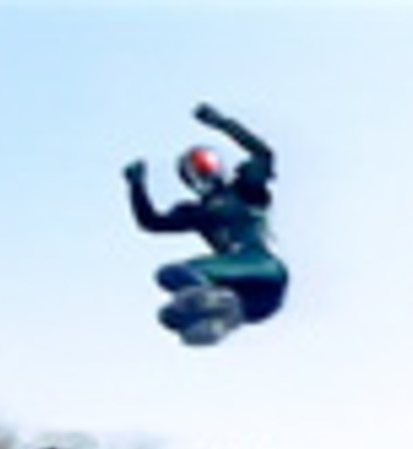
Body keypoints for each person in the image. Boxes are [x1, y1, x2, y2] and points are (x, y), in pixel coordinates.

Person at [123, 103, 289, 345]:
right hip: (254, 303)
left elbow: (263, 155)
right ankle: (221, 318)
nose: (204, 177)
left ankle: (215, 301)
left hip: (261, 267)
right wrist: (136, 185)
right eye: (197, 172)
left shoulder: (245, 189)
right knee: (168, 287)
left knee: (176, 272)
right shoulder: (196, 213)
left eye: (204, 168)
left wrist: (222, 123)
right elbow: (151, 222)